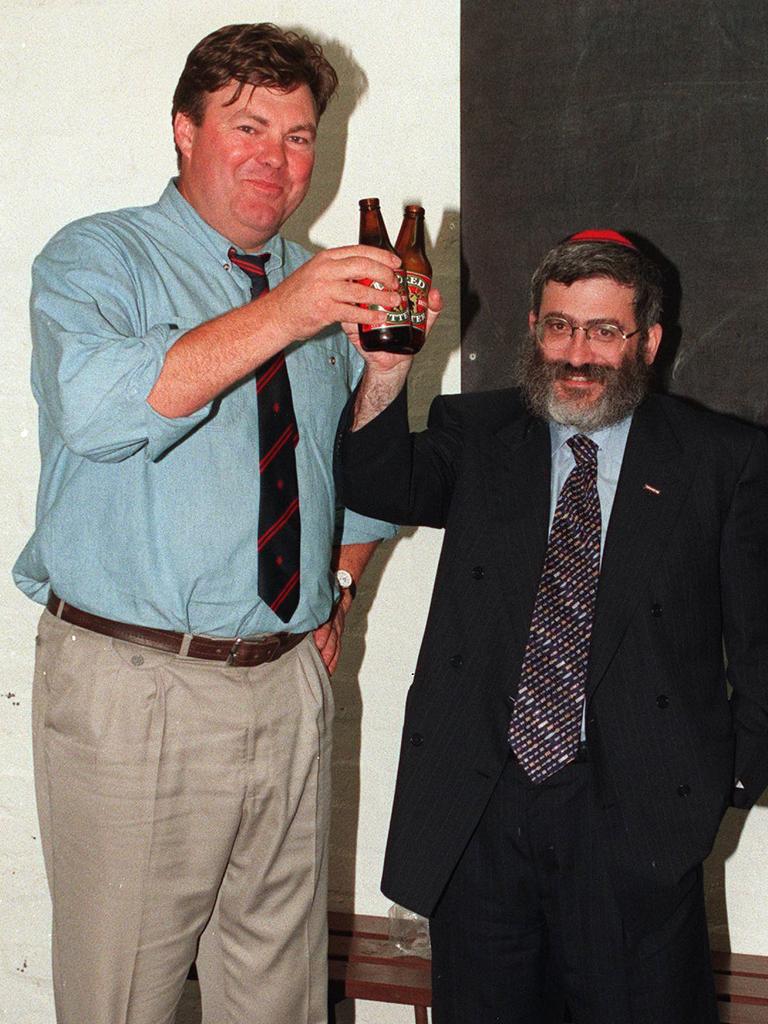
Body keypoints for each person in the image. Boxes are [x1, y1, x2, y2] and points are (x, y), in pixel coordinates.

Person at [13, 22, 411, 1024]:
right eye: (247, 126)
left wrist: (386, 377)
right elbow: (101, 410)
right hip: (137, 687)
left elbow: (344, 474)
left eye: (298, 134)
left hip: (287, 687)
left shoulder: (315, 282)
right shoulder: (99, 257)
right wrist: (290, 310)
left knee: (278, 1003)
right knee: (123, 1005)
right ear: (184, 132)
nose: (275, 158)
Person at [338, 229, 768, 1023]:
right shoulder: (478, 433)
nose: (578, 353)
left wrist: (725, 785)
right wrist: (385, 371)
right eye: (560, 326)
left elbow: (761, 643)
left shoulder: (721, 459)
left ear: (649, 341)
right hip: (480, 814)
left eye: (605, 331)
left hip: (635, 825)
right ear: (534, 327)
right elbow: (381, 483)